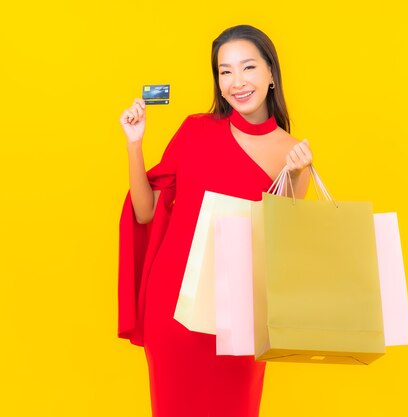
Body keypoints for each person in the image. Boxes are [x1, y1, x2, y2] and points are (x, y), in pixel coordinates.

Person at [117, 24, 313, 417]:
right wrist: (134, 143)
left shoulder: (293, 154)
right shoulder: (195, 130)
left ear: (271, 74)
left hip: (239, 316)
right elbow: (145, 212)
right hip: (172, 309)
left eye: (248, 68)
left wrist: (294, 177)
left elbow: (283, 249)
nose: (237, 82)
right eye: (225, 71)